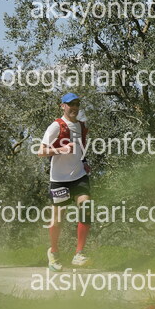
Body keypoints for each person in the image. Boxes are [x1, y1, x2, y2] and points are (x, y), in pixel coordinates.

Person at [38, 93, 92, 271]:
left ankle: (79, 253)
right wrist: (61, 149)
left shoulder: (82, 126)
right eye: (70, 104)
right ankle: (53, 252)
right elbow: (41, 151)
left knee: (86, 207)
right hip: (59, 180)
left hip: (79, 176)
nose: (74, 107)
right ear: (63, 106)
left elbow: (80, 149)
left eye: (77, 103)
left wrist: (84, 161)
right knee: (58, 220)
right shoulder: (56, 126)